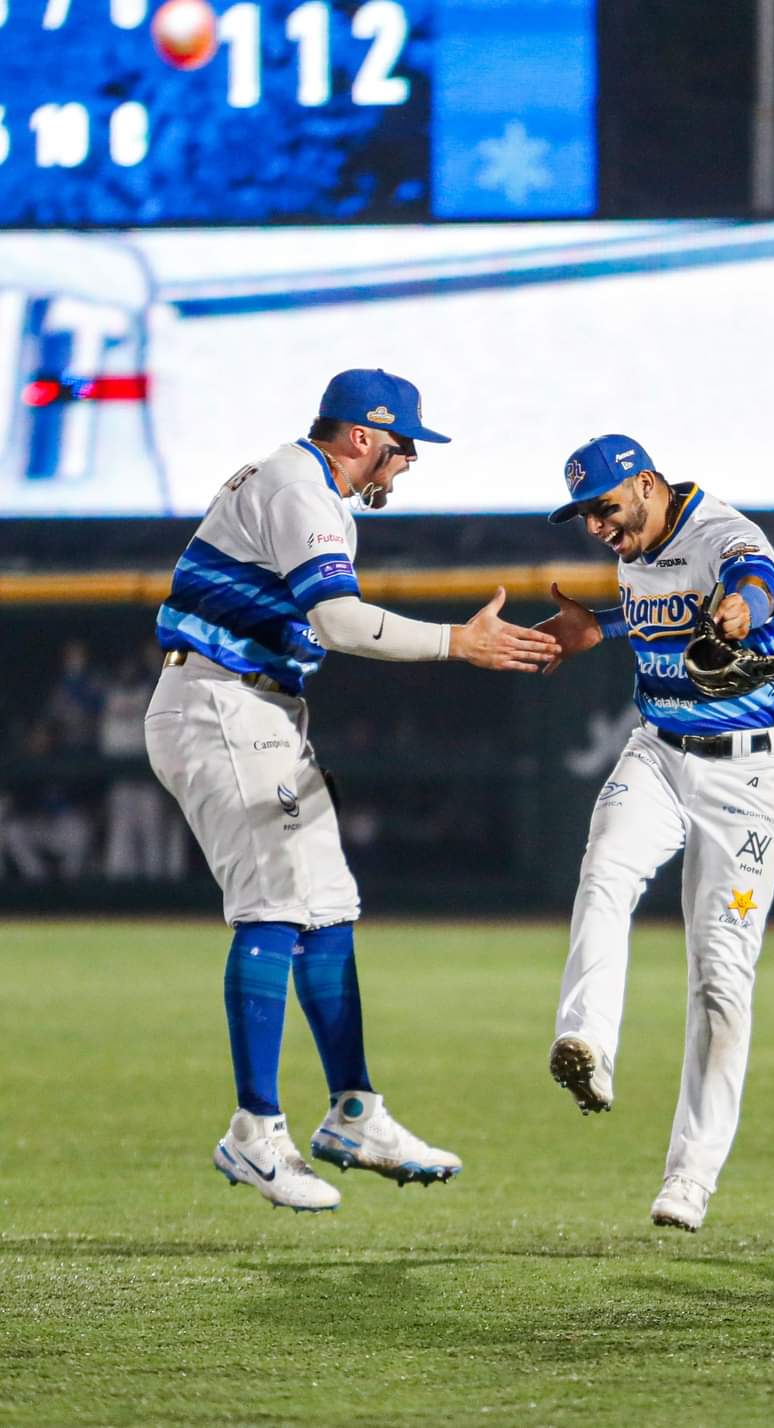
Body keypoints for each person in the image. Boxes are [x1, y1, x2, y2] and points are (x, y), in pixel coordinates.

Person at [144, 368, 558, 1214]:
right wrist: (457, 644)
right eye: (402, 447)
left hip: (253, 703)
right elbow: (336, 621)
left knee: (327, 903)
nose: (405, 465)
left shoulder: (302, 485)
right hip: (220, 702)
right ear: (362, 436)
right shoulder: (302, 487)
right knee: (273, 908)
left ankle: (353, 1112)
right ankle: (255, 1132)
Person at [536, 434, 774, 1233]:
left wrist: (738, 611)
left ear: (647, 484)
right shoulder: (636, 540)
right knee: (605, 870)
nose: (597, 528)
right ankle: (586, 1046)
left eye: (606, 508)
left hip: (745, 777)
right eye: (585, 514)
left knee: (720, 972)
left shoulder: (719, 531)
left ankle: (691, 1177)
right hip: (657, 751)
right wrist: (605, 629)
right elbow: (658, 613)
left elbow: (756, 579)